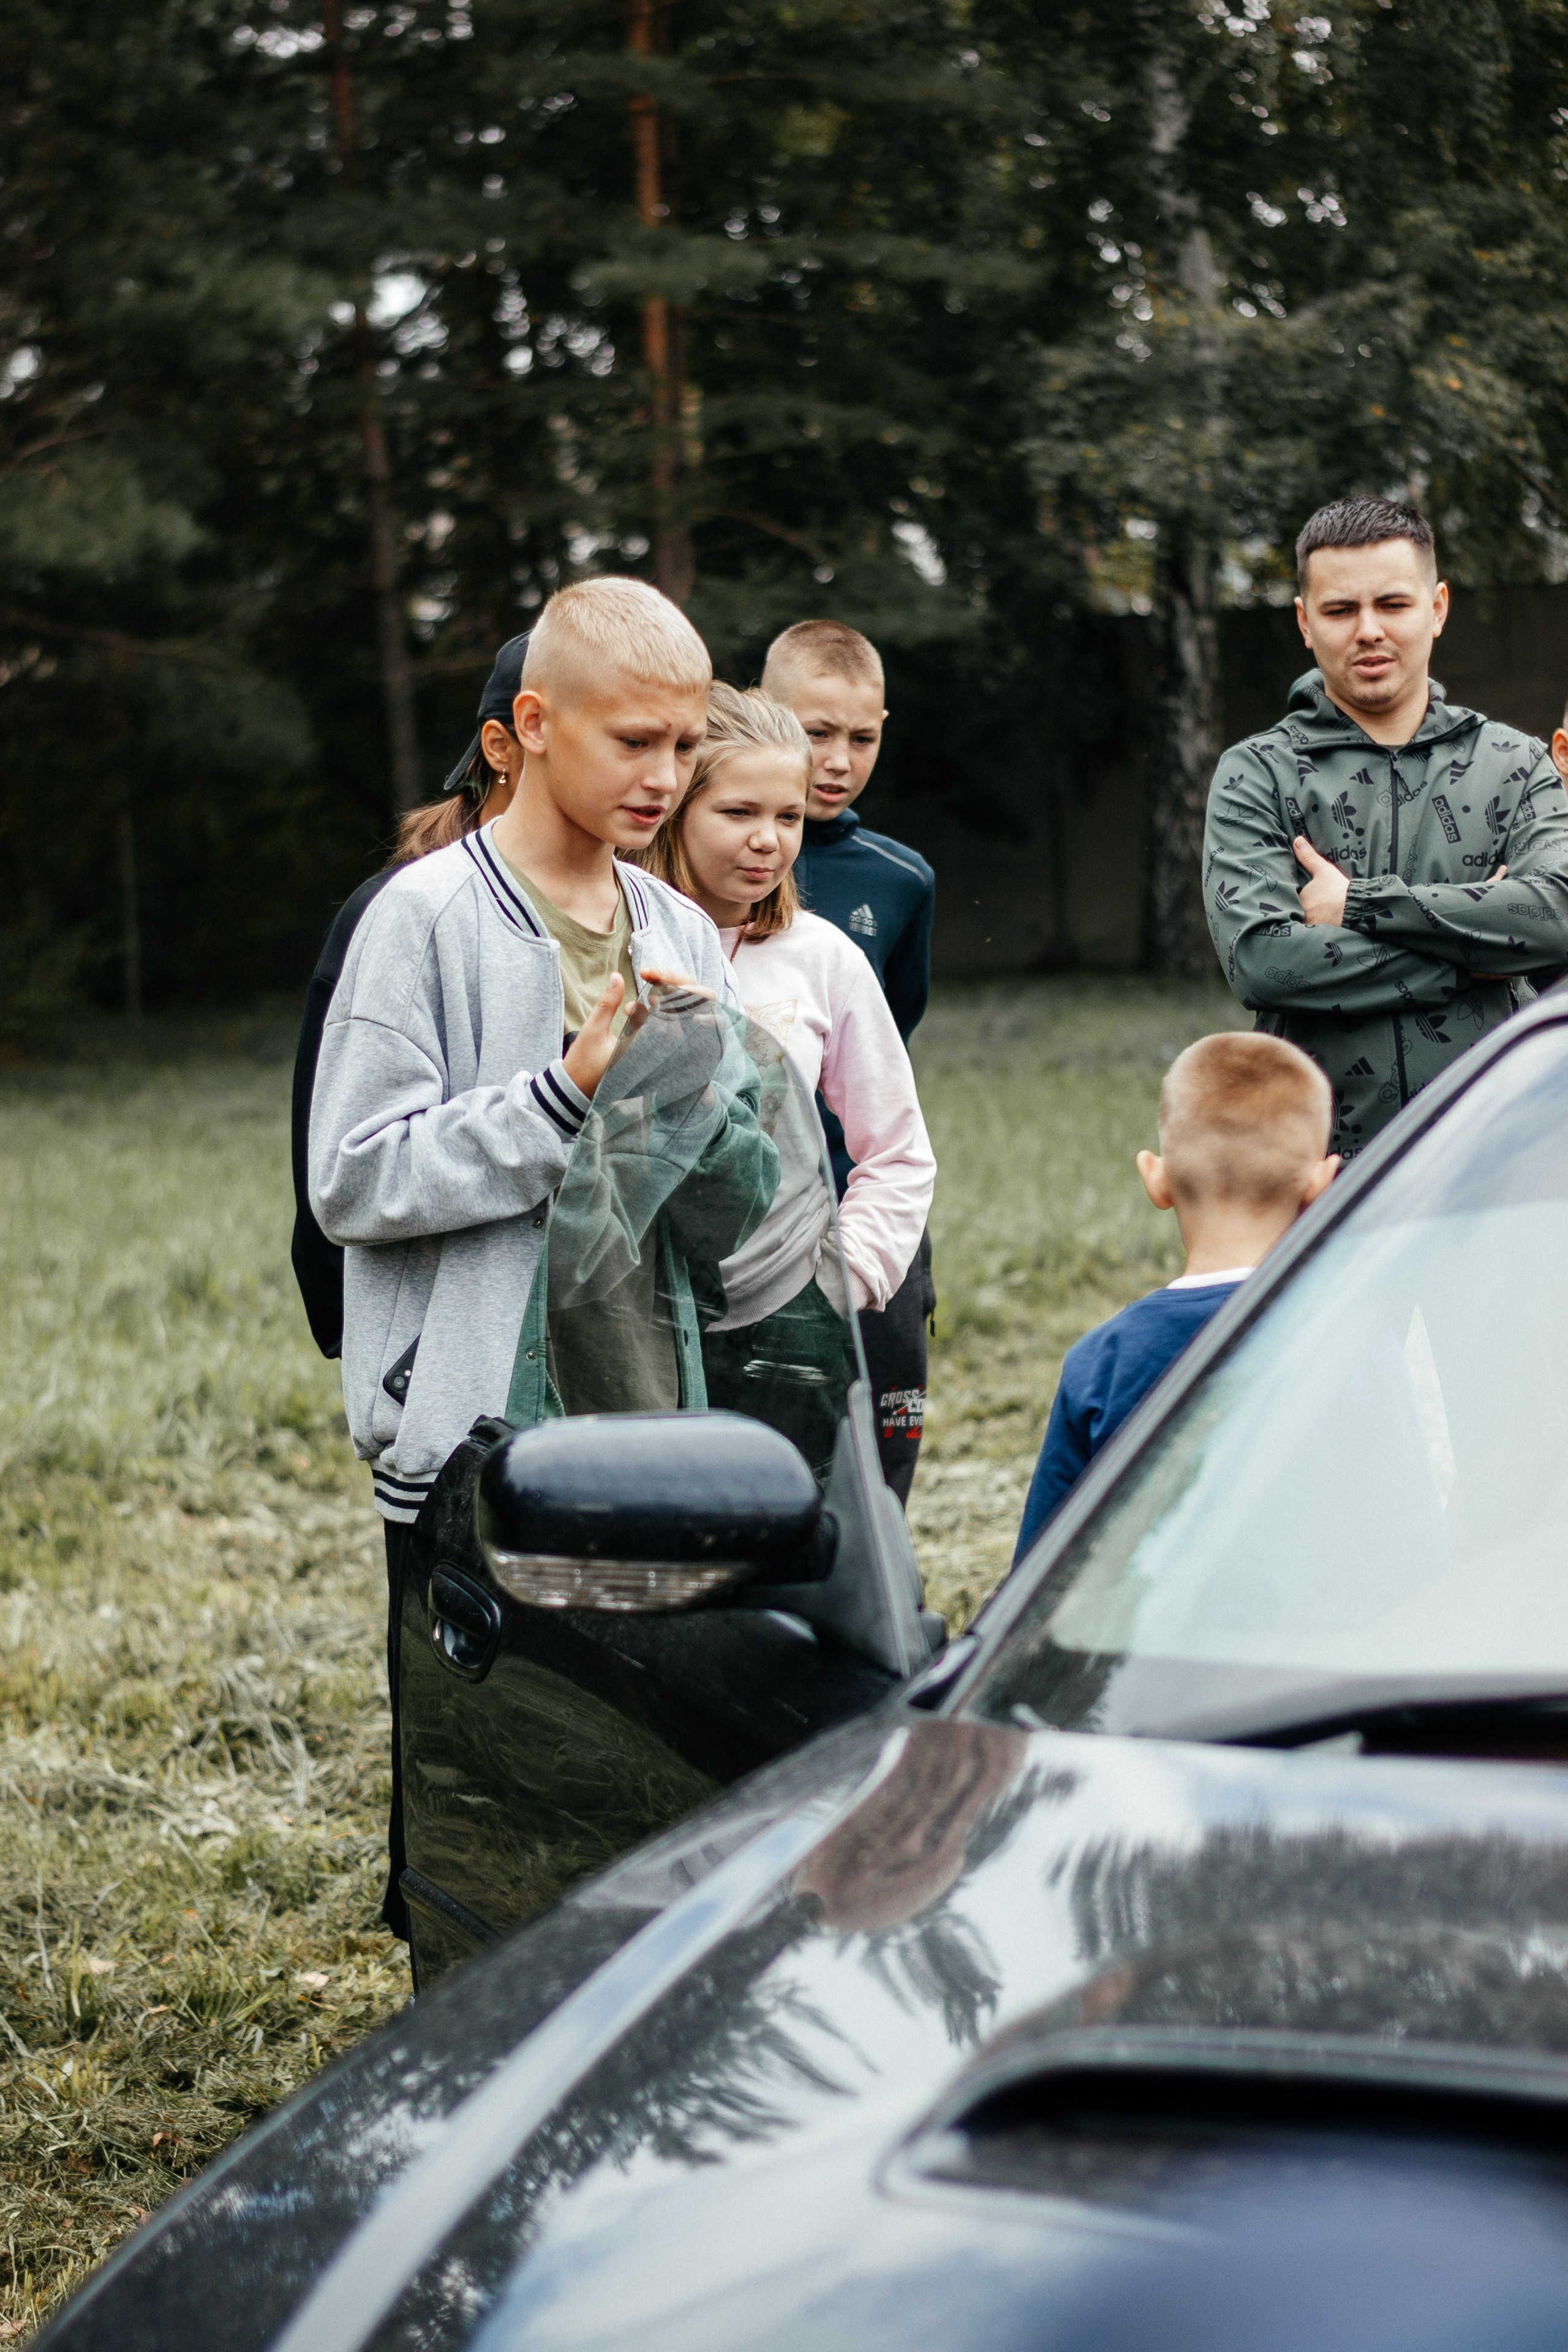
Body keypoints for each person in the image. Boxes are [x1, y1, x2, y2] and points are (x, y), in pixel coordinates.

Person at [307, 580, 774, 1942]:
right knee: (486, 1811)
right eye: (634, 741)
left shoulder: (676, 928)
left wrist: (721, 1106)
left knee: (632, 1786)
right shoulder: (423, 920)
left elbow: (729, 1207)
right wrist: (561, 1097)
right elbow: (351, 1178)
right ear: (532, 724)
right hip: (473, 1451)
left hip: (641, 1427)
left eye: (682, 745)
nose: (665, 776)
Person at [634, 682, 935, 1485]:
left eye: (789, 817)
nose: (768, 840)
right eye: (739, 812)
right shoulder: (614, 944)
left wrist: (841, 1280)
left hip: (790, 1340)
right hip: (639, 1339)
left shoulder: (824, 955)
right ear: (673, 807)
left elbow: (898, 1151)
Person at [1204, 497, 1568, 1159]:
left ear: (1437, 607)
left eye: (1393, 604)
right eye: (1340, 610)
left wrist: (1359, 906)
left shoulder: (1514, 765)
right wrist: (1476, 956)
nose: (1368, 630)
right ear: (1304, 621)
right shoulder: (1257, 774)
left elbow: (1556, 917)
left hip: (1498, 1157)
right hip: (1318, 1173)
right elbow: (1263, 964)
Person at [288, 631, 529, 1358]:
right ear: (504, 747)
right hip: (431, 1344)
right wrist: (374, 1343)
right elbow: (330, 1151)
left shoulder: (651, 912)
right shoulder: (397, 910)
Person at [1013, 1032, 1338, 1562]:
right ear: (1321, 1184)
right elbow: (1412, 1541)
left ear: (1156, 1178)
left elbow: (1043, 1572)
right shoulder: (1353, 1337)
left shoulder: (1102, 1363)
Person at [760, 618, 937, 1499]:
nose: (836, 761)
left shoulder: (900, 880)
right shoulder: (691, 861)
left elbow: (887, 1041)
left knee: (879, 1458)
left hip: (864, 1209)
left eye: (861, 738)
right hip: (752, 1229)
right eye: (814, 732)